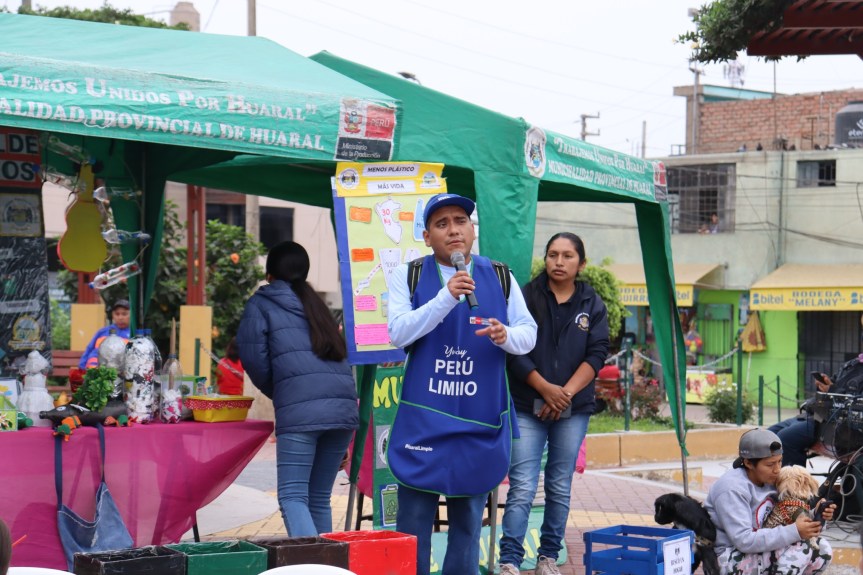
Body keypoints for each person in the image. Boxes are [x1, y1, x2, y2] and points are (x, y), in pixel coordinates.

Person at [386, 192, 537, 575]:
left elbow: (528, 333)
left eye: (460, 221)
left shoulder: (500, 275)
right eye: (441, 224)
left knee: (469, 525)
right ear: (426, 236)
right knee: (413, 523)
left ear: (472, 230)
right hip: (425, 420)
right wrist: (445, 297)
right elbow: (399, 333)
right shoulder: (410, 274)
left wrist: (507, 336)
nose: (453, 230)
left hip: (478, 419)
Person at [498, 232, 609, 575]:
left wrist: (564, 395)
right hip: (527, 402)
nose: (559, 262)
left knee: (559, 485)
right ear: (544, 259)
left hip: (573, 408)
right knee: (522, 486)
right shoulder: (526, 296)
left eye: (567, 256)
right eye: (552, 255)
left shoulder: (592, 303)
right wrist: (546, 389)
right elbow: (514, 349)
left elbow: (597, 352)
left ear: (581, 263)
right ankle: (510, 561)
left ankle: (548, 556)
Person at [238, 241, 358, 536]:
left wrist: (283, 392)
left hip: (302, 412)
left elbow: (255, 361)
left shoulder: (261, 303)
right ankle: (327, 568)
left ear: (269, 274)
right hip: (342, 411)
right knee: (318, 499)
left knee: (293, 497)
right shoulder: (319, 306)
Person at [703, 428, 835, 575]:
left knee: (822, 550)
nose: (777, 469)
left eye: (779, 462)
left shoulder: (769, 480)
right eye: (770, 464)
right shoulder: (731, 489)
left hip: (758, 550)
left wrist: (815, 515)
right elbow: (744, 540)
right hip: (728, 559)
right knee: (801, 548)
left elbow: (784, 516)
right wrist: (796, 531)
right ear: (748, 463)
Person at [769, 353, 863, 466]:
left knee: (785, 437)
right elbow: (833, 383)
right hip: (816, 415)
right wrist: (825, 384)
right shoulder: (852, 364)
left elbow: (856, 403)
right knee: (769, 435)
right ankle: (771, 480)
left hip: (836, 425)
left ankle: (794, 481)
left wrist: (832, 389)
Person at [77, 298, 131, 369]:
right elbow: (89, 349)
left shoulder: (133, 334)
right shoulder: (102, 331)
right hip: (92, 370)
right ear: (112, 315)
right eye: (117, 314)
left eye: (124, 314)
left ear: (131, 314)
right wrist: (81, 368)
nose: (120, 317)